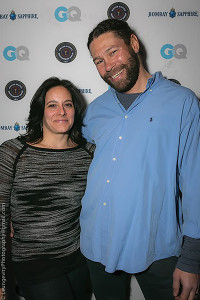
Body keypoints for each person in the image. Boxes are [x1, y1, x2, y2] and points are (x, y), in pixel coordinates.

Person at [79, 19, 200, 300]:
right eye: (98, 60)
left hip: (158, 249)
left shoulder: (182, 102)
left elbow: (195, 182)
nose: (107, 66)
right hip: (97, 245)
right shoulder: (94, 111)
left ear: (134, 44)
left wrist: (192, 257)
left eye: (112, 52)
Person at [0, 77, 94, 300]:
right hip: (33, 262)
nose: (61, 111)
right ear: (41, 111)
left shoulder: (90, 154)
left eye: (67, 104)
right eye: (52, 105)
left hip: (78, 260)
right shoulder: (13, 152)